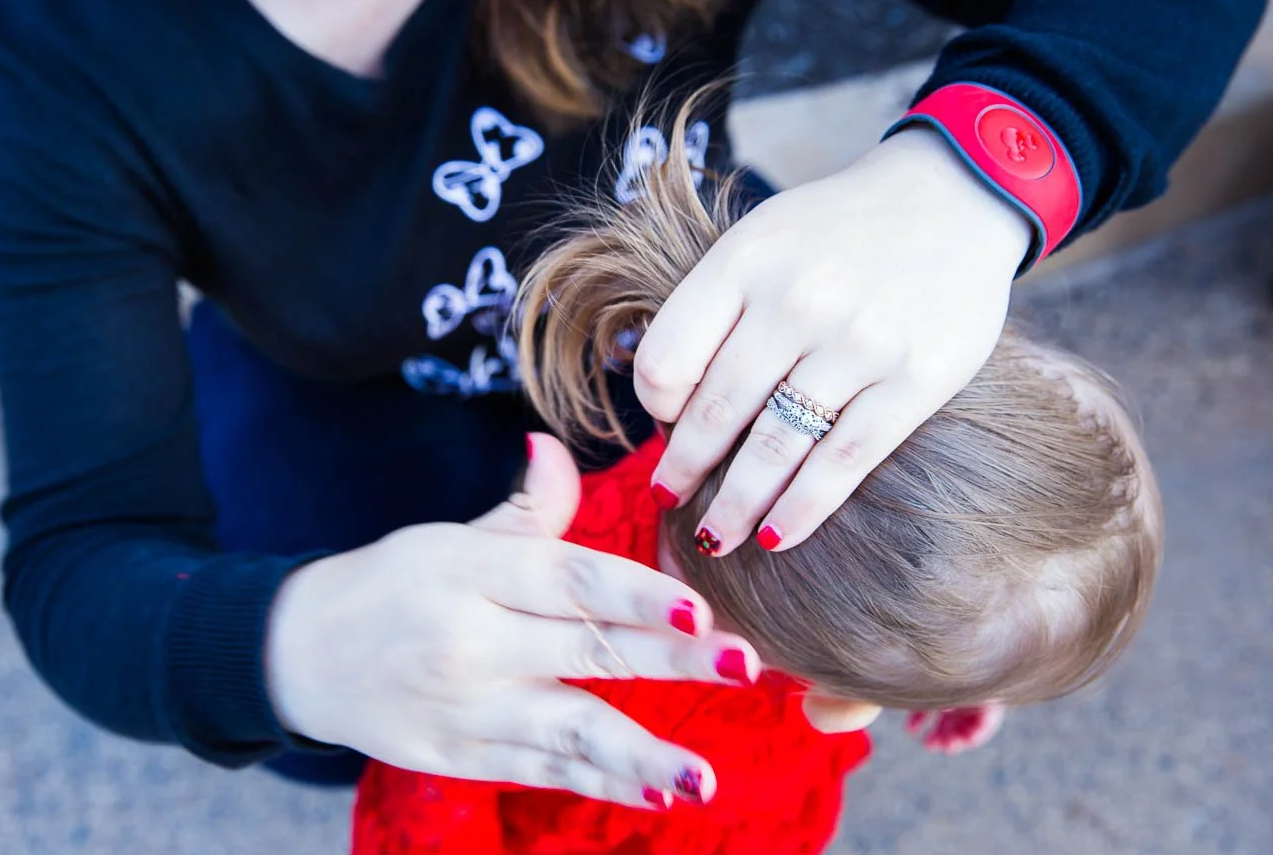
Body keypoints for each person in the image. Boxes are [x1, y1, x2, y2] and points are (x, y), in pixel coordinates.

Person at [0, 0, 1265, 795]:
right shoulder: (68, 49)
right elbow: (87, 566)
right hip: (348, 429)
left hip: (698, 346)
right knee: (436, 728)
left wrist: (968, 184)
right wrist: (303, 646)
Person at [347, 106, 1163, 853]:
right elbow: (436, 777)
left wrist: (953, 678)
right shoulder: (554, 613)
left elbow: (940, 583)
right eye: (874, 688)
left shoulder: (814, 569)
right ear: (819, 688)